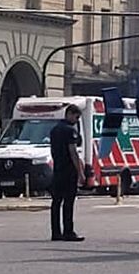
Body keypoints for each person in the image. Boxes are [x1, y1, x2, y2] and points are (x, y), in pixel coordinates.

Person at [49, 104, 85, 242]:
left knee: (56, 202)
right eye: (76, 117)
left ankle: (56, 232)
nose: (76, 120)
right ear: (69, 114)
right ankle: (68, 232)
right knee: (68, 202)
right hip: (69, 171)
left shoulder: (54, 130)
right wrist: (80, 172)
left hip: (58, 169)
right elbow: (73, 152)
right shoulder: (70, 131)